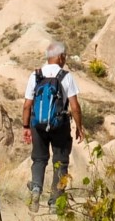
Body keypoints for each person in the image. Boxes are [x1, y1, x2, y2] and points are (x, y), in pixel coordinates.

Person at [21, 40, 84, 210]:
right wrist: (79, 127)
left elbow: (27, 105)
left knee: (39, 159)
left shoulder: (35, 75)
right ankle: (55, 201)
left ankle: (36, 189)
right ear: (61, 57)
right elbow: (75, 106)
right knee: (61, 161)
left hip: (37, 125)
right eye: (65, 56)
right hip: (60, 125)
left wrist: (26, 127)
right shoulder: (66, 76)